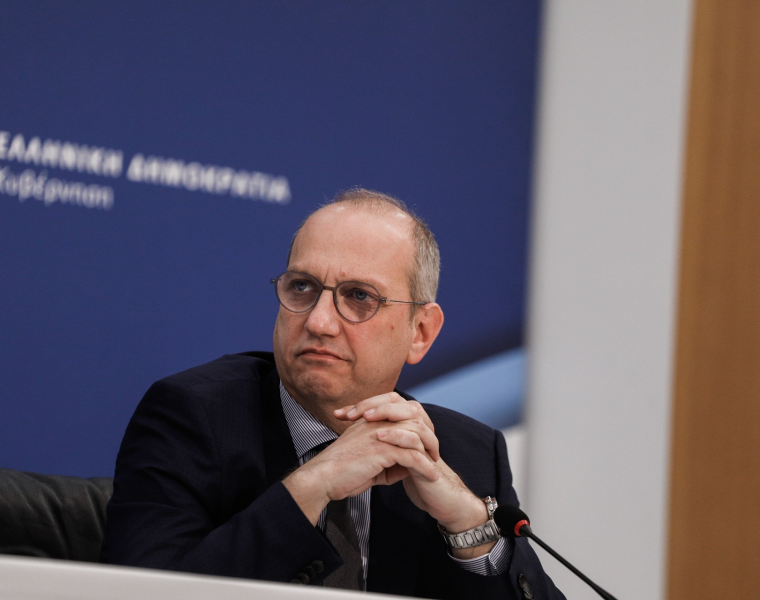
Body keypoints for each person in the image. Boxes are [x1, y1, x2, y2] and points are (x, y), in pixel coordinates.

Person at [102, 188, 564, 599]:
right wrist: (314, 483)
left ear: (420, 332)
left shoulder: (470, 454)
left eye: (359, 296)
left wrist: (470, 528)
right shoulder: (192, 416)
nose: (319, 321)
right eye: (302, 287)